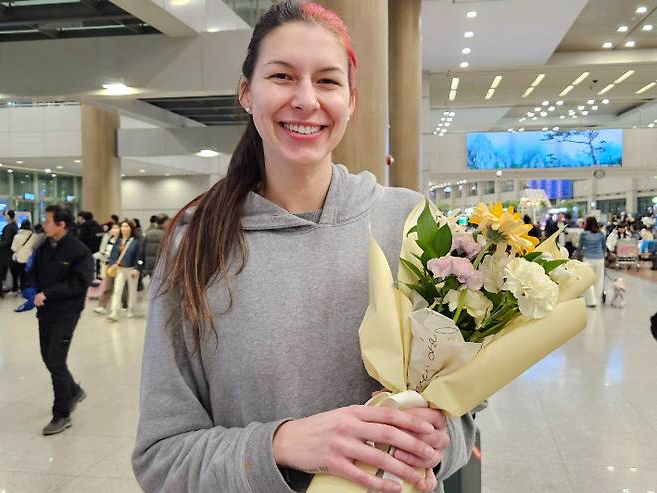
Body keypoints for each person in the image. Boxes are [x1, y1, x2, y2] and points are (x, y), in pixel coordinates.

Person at [132, 3, 478, 493]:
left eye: (328, 81)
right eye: (282, 76)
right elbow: (161, 458)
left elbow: (464, 418)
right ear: (247, 93)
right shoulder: (195, 243)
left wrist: (439, 444)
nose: (305, 99)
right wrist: (281, 444)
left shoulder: (409, 223)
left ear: (352, 100)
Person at [28, 205, 93, 435]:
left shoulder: (79, 251)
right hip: (45, 311)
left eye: (47, 221)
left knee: (56, 359)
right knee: (48, 357)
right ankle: (73, 390)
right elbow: (33, 271)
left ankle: (62, 414)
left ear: (61, 224)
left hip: (66, 311)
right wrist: (30, 288)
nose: (44, 225)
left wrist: (48, 293)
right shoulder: (45, 246)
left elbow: (79, 283)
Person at [106, 219, 140, 321]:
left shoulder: (135, 242)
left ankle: (131, 309)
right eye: (123, 226)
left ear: (131, 228)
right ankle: (114, 311)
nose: (124, 228)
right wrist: (112, 264)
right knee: (117, 289)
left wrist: (136, 268)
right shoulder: (118, 241)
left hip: (131, 269)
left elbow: (139, 256)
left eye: (127, 226)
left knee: (132, 290)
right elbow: (113, 255)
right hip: (120, 269)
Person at [93, 222, 122, 315]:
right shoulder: (108, 237)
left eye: (117, 228)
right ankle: (102, 306)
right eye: (113, 228)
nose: (114, 230)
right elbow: (102, 248)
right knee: (108, 286)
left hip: (121, 267)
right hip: (109, 265)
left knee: (122, 288)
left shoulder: (123, 240)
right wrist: (103, 253)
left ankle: (125, 305)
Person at [579, 217, 607, 307]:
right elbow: (604, 247)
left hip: (588, 258)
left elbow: (580, 247)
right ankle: (597, 300)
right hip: (599, 259)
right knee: (599, 280)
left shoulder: (583, 234)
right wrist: (603, 255)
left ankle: (591, 301)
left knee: (588, 280)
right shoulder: (601, 234)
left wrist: (576, 254)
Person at [11, 220, 45, 293]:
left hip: (20, 259)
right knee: (29, 275)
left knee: (21, 275)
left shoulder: (17, 236)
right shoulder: (34, 236)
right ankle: (29, 289)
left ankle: (22, 289)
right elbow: (36, 247)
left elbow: (13, 248)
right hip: (30, 259)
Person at [140, 213, 168, 278]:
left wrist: (143, 265)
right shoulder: (167, 234)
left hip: (149, 266)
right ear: (166, 222)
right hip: (162, 267)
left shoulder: (148, 233)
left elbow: (142, 250)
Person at [0, 209, 19, 298]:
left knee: (3, 272)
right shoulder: (14, 226)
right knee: (13, 271)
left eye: (5, 214)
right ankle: (15, 289)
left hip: (6, 254)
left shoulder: (9, 227)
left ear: (8, 216)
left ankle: (2, 290)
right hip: (12, 253)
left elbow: (7, 241)